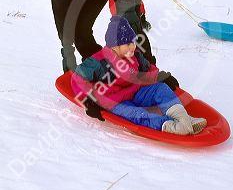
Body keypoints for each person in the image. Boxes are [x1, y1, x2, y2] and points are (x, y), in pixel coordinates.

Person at [71, 16, 207, 135]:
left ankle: (184, 119)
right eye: (128, 44)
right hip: (114, 101)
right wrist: (88, 101)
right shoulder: (100, 62)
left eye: (134, 42)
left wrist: (160, 77)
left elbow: (147, 70)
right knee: (137, 115)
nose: (133, 47)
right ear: (114, 47)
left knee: (161, 89)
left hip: (136, 91)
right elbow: (78, 79)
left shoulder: (134, 56)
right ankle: (171, 126)